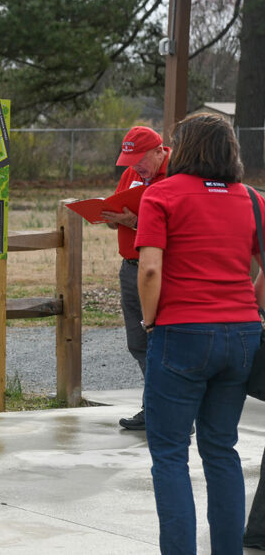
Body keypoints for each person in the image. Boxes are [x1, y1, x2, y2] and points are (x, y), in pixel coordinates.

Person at [135, 113, 261, 554]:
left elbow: (150, 268)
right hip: (243, 334)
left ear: (183, 149)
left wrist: (151, 321)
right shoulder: (251, 198)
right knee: (221, 449)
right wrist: (251, 300)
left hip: (181, 332)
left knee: (170, 454)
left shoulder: (161, 194)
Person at [101, 125, 170, 431]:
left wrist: (135, 221)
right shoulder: (132, 174)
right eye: (130, 161)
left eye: (140, 160)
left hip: (161, 269)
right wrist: (113, 219)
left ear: (159, 152)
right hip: (131, 266)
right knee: (138, 342)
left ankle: (170, 410)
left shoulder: (177, 176)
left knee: (163, 341)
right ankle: (153, 406)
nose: (135, 167)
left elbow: (176, 229)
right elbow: (119, 207)